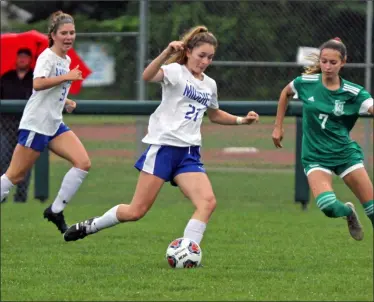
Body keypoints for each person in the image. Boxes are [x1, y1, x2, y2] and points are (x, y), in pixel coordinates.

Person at [63, 25, 260, 245]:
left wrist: (242, 120)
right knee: (136, 211)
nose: (205, 61)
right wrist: (166, 53)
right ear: (188, 52)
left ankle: (188, 251)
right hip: (164, 149)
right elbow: (147, 76)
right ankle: (92, 225)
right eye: (201, 55)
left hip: (189, 153)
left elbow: (214, 114)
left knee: (207, 202)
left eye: (210, 58)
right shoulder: (176, 71)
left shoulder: (210, 85)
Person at [272, 38, 373, 241]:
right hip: (315, 156)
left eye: (333, 62)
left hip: (345, 154)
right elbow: (286, 92)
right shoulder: (306, 83)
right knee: (328, 206)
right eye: (324, 61)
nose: (327, 66)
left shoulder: (354, 93)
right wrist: (278, 126)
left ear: (343, 62)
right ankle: (348, 213)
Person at [0, 11, 91, 235]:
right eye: (64, 33)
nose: (69, 37)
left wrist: (66, 101)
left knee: (83, 163)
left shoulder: (67, 60)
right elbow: (38, 84)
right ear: (53, 35)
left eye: (72, 32)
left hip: (54, 123)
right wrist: (67, 77)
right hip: (37, 124)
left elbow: (53, 92)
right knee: (14, 176)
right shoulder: (47, 57)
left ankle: (56, 210)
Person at [0, 48, 34, 202]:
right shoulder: (6, 77)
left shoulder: (36, 78)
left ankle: (21, 196)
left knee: (24, 162)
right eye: (20, 57)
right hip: (6, 125)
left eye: (25, 57)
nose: (22, 60)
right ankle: (3, 194)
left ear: (30, 60)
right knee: (3, 159)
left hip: (27, 126)